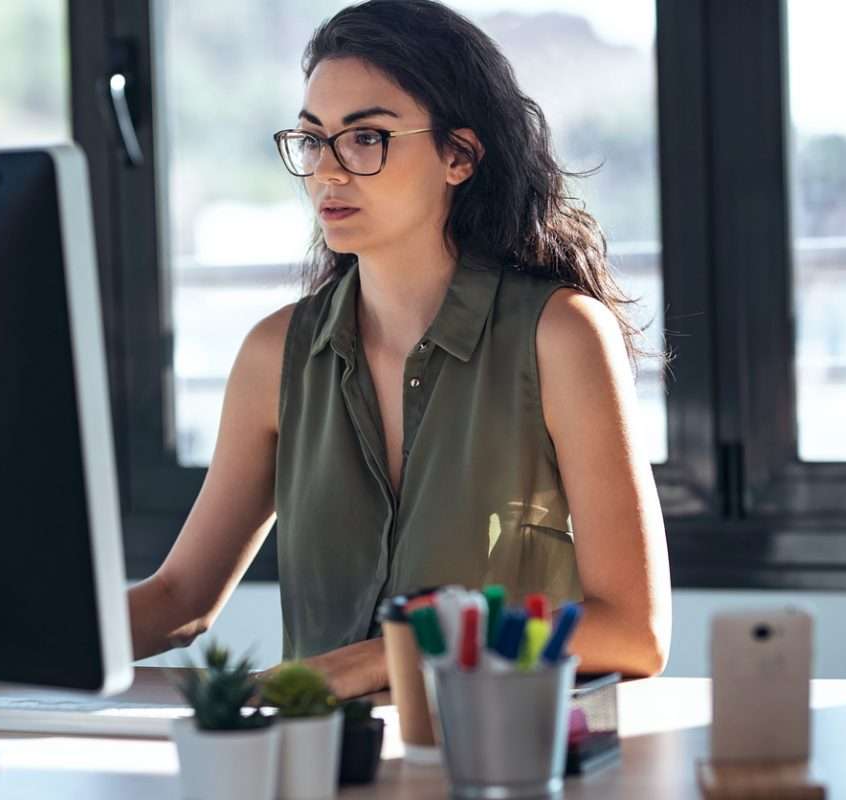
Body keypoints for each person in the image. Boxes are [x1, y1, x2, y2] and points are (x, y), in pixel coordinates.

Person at [128, 0, 672, 701]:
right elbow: (178, 598)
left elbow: (632, 631)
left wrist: (383, 657)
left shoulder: (562, 336)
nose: (329, 170)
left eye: (367, 138)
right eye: (313, 139)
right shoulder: (274, 354)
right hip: (324, 765)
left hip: (500, 760)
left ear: (459, 155)